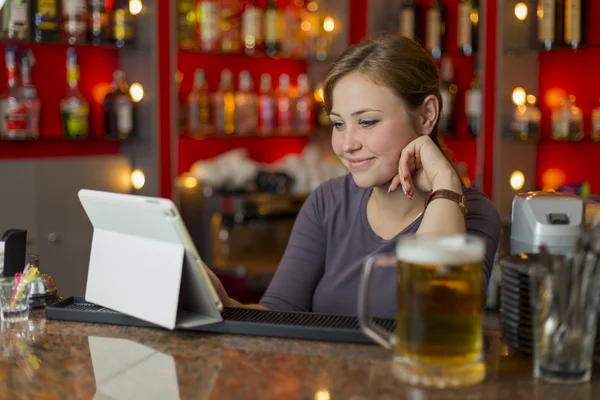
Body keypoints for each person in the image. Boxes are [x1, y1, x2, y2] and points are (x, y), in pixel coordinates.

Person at [205, 33, 501, 318]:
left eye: (367, 122)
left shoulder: (472, 212)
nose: (347, 145)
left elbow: (435, 319)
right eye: (338, 124)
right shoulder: (328, 201)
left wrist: (447, 186)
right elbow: (280, 314)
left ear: (426, 115)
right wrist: (224, 305)